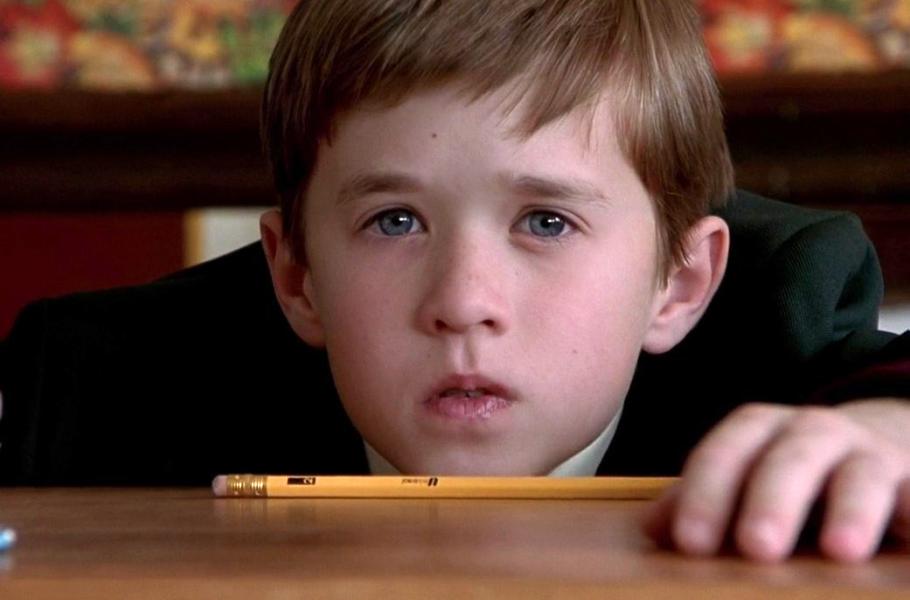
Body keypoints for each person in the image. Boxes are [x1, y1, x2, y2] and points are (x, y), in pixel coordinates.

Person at [1, 0, 909, 564]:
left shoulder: (776, 316)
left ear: (677, 285)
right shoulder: (100, 383)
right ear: (297, 275)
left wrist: (890, 428)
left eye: (545, 222)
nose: (464, 303)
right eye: (395, 221)